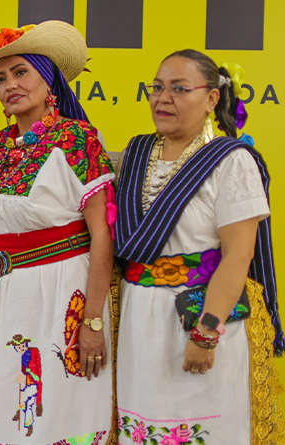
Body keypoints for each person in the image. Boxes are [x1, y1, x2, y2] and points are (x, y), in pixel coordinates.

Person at [0, 20, 115, 443]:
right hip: (9, 296)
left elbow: (103, 235)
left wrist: (93, 322)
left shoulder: (78, 140)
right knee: (11, 410)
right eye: (0, 78)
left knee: (60, 411)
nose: (9, 84)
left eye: (21, 72)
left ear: (51, 83)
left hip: (65, 294)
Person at [114, 50, 285, 445]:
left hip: (198, 318)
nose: (162, 98)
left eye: (179, 88)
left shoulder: (232, 162)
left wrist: (206, 333)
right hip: (140, 322)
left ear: (211, 99)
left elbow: (238, 256)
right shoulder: (136, 154)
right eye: (156, 88)